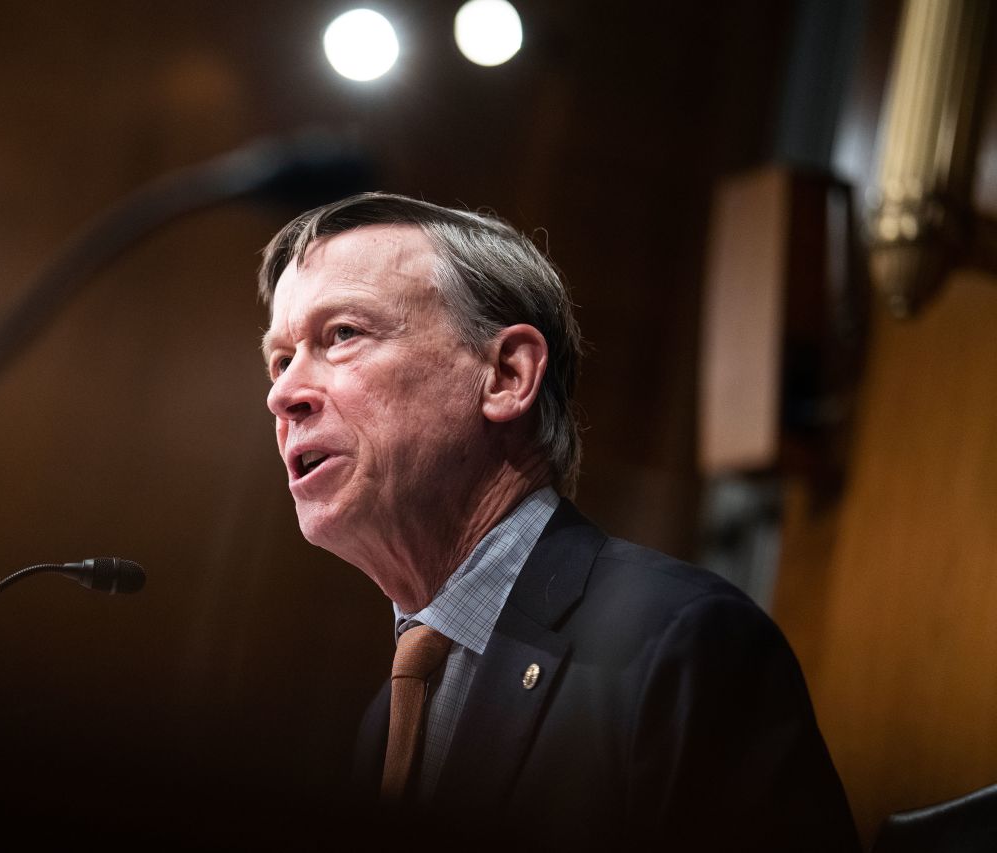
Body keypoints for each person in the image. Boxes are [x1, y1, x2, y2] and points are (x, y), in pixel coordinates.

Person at [257, 192, 858, 851]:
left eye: (341, 335)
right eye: (281, 358)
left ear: (507, 374)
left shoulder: (679, 642)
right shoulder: (385, 720)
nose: (283, 393)